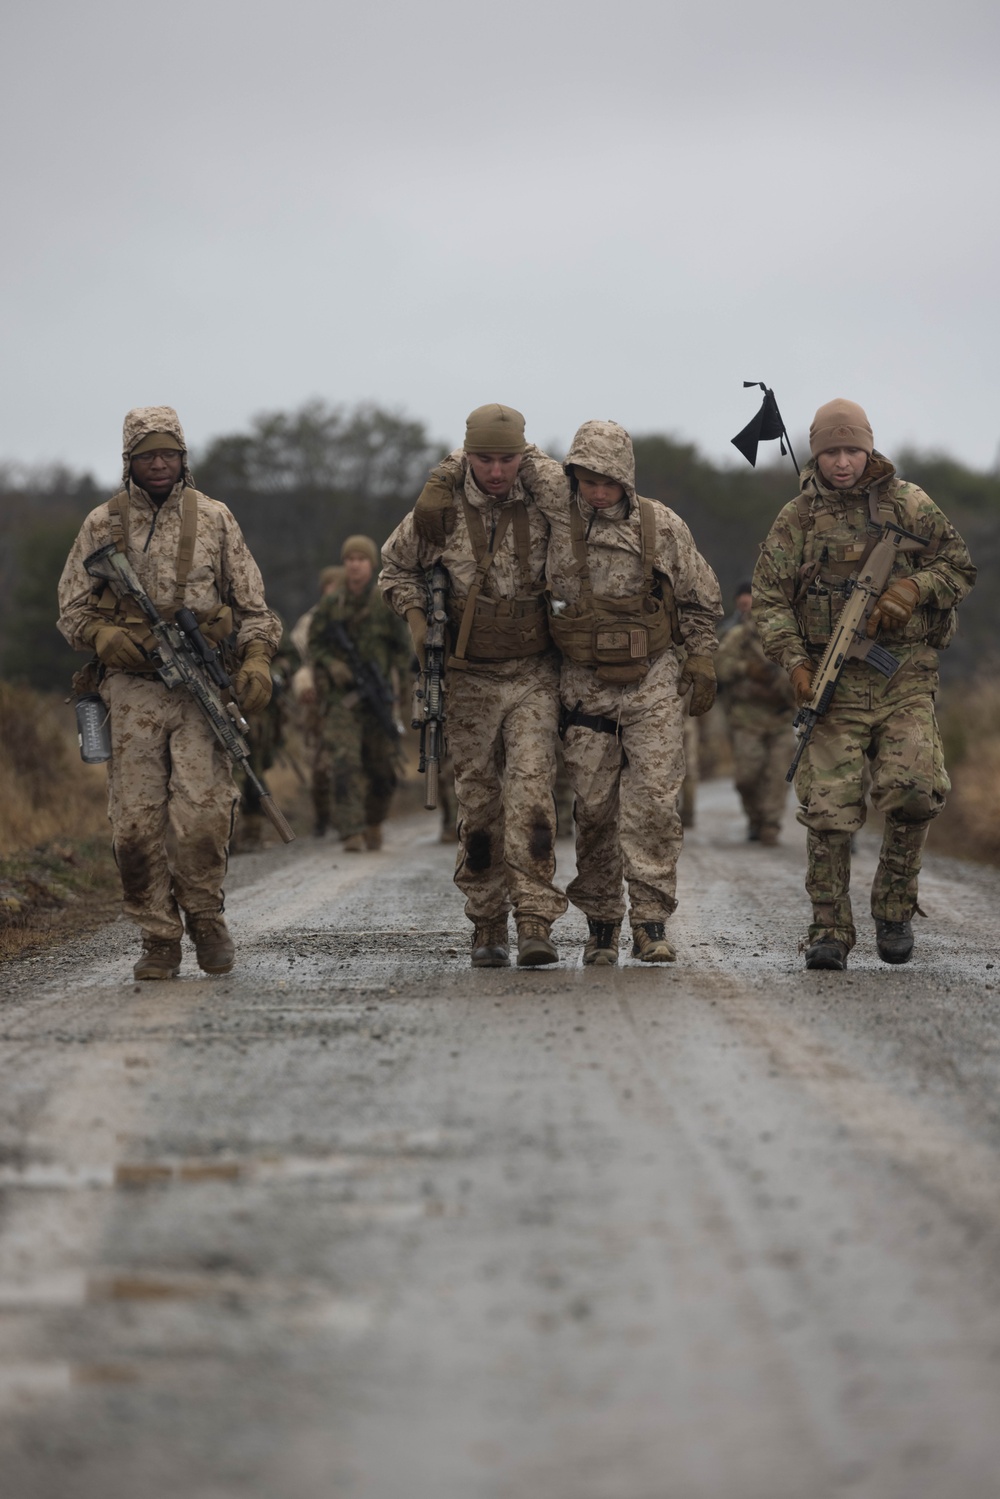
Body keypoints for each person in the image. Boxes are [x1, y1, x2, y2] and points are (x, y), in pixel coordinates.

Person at [57, 406, 280, 980]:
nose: (159, 464)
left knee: (204, 816)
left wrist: (256, 662)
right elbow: (72, 608)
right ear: (128, 460)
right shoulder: (100, 525)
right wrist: (102, 635)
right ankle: (158, 937)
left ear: (184, 457)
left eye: (169, 454)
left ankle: (205, 918)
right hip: (132, 694)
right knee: (134, 824)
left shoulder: (215, 519)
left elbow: (254, 608)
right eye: (147, 455)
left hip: (201, 687)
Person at [753, 398, 975, 969]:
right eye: (831, 452)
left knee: (915, 790)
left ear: (869, 449)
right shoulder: (797, 518)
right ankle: (828, 929)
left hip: (902, 676)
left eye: (852, 450)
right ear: (816, 455)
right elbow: (771, 600)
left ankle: (895, 907)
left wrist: (912, 591)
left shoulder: (910, 504)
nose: (843, 463)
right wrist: (796, 662)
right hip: (833, 686)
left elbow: (958, 567)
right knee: (828, 808)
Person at [380, 403, 567, 968]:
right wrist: (416, 620)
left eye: (507, 459)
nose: (495, 470)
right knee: (479, 805)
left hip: (534, 672)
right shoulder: (439, 510)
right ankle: (487, 922)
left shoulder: (544, 499)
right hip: (469, 679)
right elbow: (395, 569)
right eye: (483, 459)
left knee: (533, 799)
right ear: (468, 455)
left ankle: (535, 919)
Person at [541, 420, 723, 964]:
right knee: (594, 811)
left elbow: (701, 598)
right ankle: (601, 925)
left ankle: (650, 922)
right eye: (587, 478)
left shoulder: (662, 526)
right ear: (572, 476)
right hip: (583, 688)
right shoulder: (552, 521)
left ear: (627, 478)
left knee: (653, 807)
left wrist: (702, 658)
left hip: (652, 684)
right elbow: (510, 456)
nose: (598, 491)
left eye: (608, 480)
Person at [309, 535, 411, 852]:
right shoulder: (331, 605)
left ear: (372, 564)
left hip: (378, 697)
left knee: (382, 767)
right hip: (344, 700)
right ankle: (350, 830)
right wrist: (332, 666)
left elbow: (403, 649)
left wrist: (396, 686)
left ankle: (373, 821)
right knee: (345, 762)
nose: (355, 564)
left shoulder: (385, 603)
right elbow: (315, 645)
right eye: (349, 559)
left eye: (361, 559)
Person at [714, 582, 795, 845]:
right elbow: (721, 667)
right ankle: (755, 817)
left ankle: (770, 824)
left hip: (781, 718)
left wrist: (784, 681)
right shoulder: (739, 637)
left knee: (778, 775)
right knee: (747, 777)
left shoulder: (788, 637)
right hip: (747, 719)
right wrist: (746, 669)